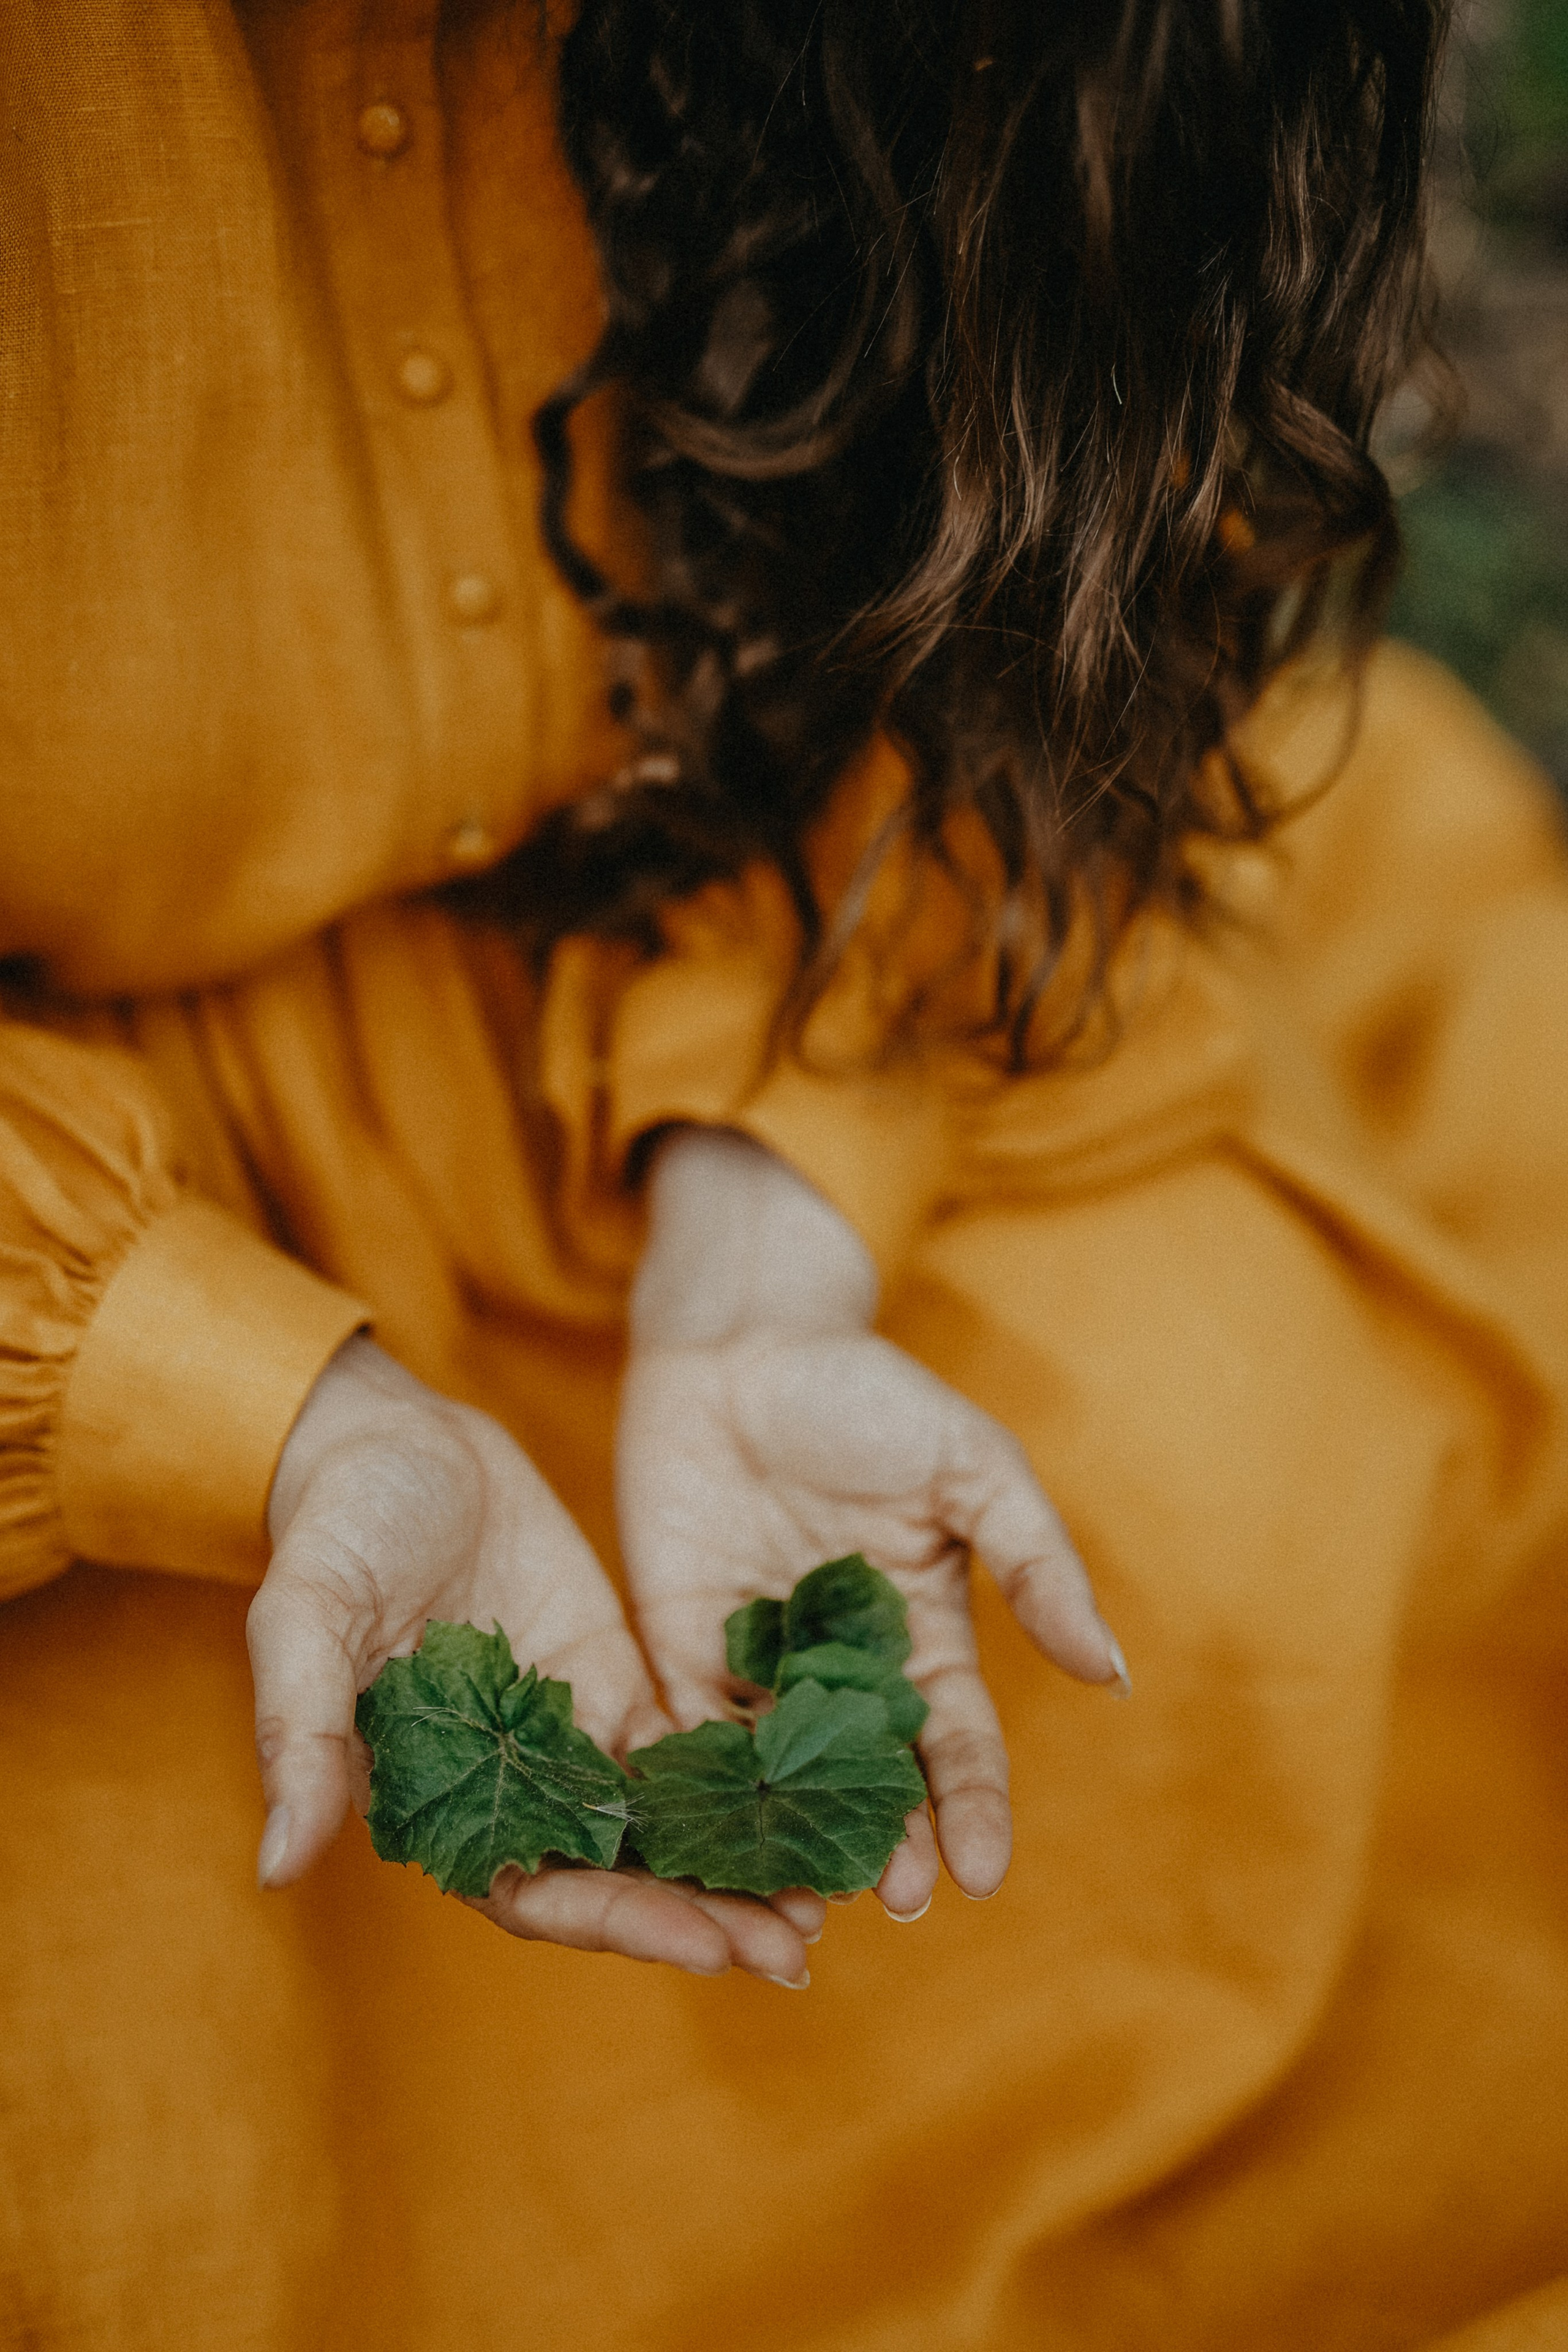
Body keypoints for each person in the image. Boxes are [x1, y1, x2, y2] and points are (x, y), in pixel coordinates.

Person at [4, 1, 1568, 2345]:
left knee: (1256, 1556)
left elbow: (1025, 575)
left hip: (759, 926)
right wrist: (251, 1406)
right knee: (153, 2116)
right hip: (88, 1207)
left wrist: (773, 1236)